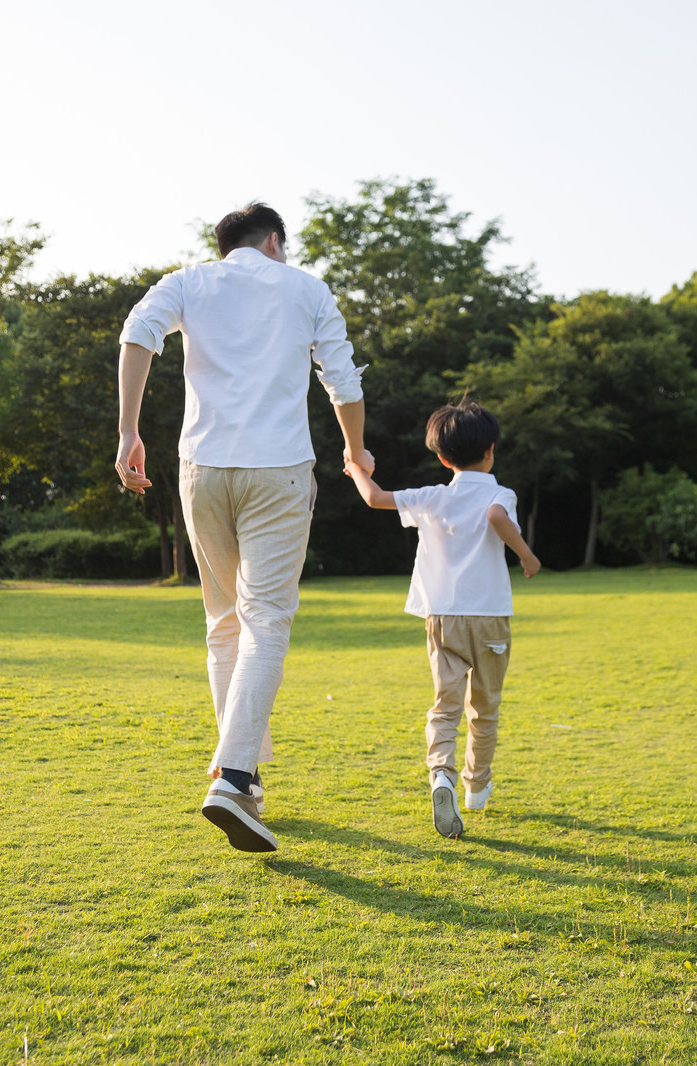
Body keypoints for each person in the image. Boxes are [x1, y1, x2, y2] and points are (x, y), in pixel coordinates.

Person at [114, 202, 370, 854]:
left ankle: (246, 778)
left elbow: (138, 333)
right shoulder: (306, 287)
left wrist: (128, 433)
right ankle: (231, 777)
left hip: (201, 469)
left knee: (224, 623)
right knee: (265, 621)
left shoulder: (188, 282)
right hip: (278, 470)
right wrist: (356, 450)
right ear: (275, 241)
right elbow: (339, 379)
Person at [342, 401, 540, 839]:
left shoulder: (432, 496)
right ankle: (477, 788)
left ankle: (441, 776)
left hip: (442, 616)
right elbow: (495, 517)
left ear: (443, 457)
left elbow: (374, 498)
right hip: (489, 617)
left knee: (445, 704)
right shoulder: (498, 493)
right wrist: (526, 556)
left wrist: (355, 467)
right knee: (484, 707)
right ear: (490, 450)